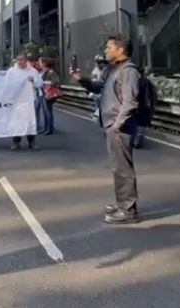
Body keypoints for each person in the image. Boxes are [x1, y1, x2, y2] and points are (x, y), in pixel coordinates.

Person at [73, 35, 142, 225]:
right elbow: (99, 88)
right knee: (117, 168)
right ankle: (123, 204)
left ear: (120, 50)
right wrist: (81, 80)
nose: (106, 50)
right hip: (112, 125)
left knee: (123, 169)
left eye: (109, 47)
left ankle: (128, 210)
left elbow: (130, 102)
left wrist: (116, 126)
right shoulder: (112, 69)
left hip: (121, 127)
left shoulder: (129, 71)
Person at [6, 53, 43, 151]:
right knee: (17, 122)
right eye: (19, 60)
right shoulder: (11, 72)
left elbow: (39, 84)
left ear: (26, 60)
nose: (20, 62)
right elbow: (7, 85)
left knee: (30, 121)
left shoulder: (33, 71)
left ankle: (32, 142)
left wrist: (33, 80)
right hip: (17, 101)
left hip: (29, 101)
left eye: (22, 59)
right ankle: (16, 142)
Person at [38, 57, 62, 135]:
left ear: (44, 63)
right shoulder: (42, 72)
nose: (39, 63)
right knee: (45, 111)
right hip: (42, 93)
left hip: (48, 93)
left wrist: (45, 83)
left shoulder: (50, 72)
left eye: (40, 62)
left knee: (48, 111)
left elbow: (56, 81)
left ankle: (50, 128)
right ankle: (46, 127)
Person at [90, 54, 108, 121]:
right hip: (99, 89)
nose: (101, 64)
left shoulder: (107, 69)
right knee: (96, 96)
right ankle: (98, 111)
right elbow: (94, 81)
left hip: (107, 89)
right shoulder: (95, 71)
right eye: (99, 62)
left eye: (103, 62)